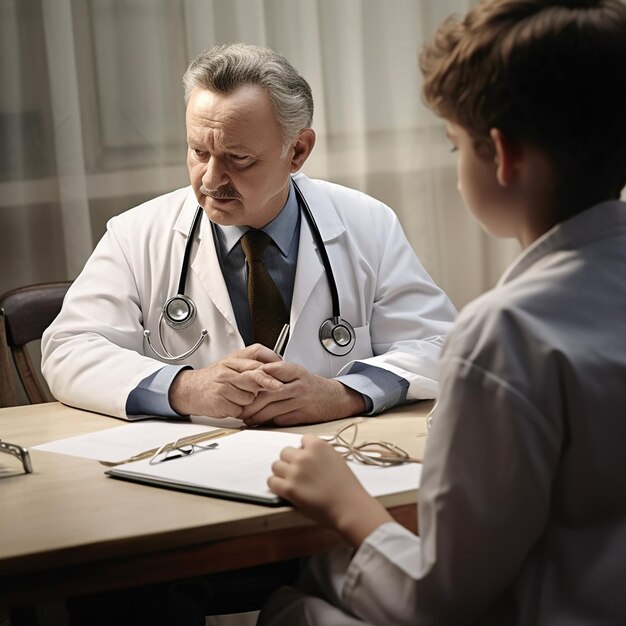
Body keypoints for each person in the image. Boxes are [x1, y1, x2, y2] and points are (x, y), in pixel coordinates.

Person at [258, 1, 626, 624]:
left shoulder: (508, 333)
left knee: (291, 609)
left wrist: (344, 503)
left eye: (455, 143)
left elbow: (439, 600)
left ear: (502, 155)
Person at [41, 43, 456, 426]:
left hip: (331, 460)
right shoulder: (136, 235)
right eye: (199, 152)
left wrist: (344, 393)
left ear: (297, 152)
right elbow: (69, 350)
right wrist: (185, 388)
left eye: (238, 159)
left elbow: (442, 346)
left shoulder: (368, 224)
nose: (211, 178)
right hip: (189, 470)